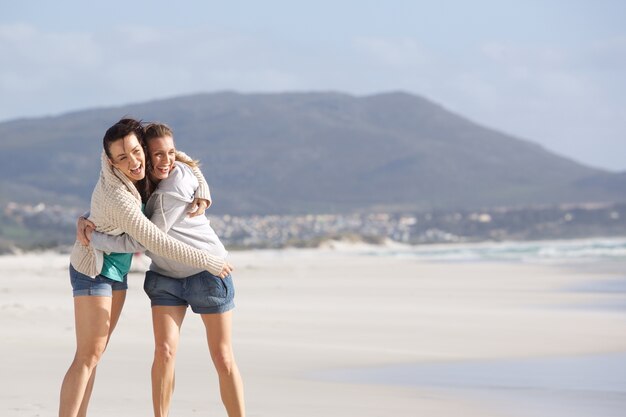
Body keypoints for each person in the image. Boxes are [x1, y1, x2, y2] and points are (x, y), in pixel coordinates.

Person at [59, 118, 233, 417]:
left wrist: (203, 189)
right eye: (123, 158)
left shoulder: (144, 164)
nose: (134, 161)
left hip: (117, 270)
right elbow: (155, 241)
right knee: (87, 355)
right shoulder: (118, 195)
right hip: (93, 267)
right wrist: (208, 260)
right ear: (110, 162)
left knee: (95, 355)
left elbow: (180, 158)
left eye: (137, 152)